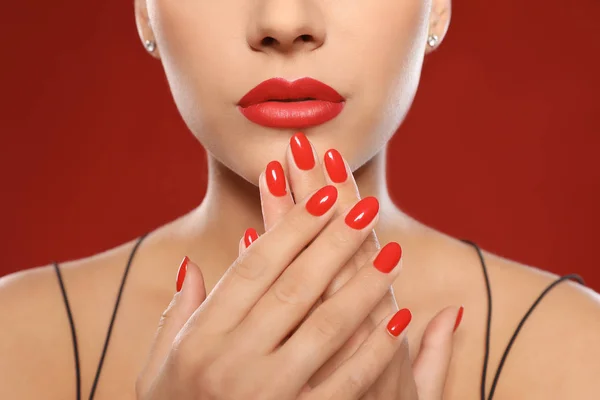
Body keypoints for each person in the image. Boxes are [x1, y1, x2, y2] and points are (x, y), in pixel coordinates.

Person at [1, 0, 599, 398]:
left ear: (437, 4)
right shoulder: (16, 340)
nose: (285, 20)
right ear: (145, 13)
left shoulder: (579, 353)